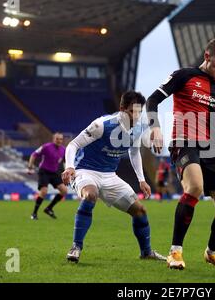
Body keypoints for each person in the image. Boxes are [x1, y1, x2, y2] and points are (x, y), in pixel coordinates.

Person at [146, 38, 215, 270]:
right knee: (195, 187)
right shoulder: (183, 75)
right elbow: (153, 100)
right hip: (184, 143)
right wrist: (155, 127)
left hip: (210, 149)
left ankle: (211, 253)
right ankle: (175, 252)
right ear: (207, 56)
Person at [61, 91, 166, 263]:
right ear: (122, 109)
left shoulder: (138, 128)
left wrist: (141, 180)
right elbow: (74, 144)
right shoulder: (102, 124)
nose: (137, 116)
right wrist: (70, 166)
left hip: (110, 175)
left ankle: (146, 253)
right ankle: (76, 247)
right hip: (85, 170)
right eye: (133, 111)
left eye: (140, 112)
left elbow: (134, 152)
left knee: (140, 211)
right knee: (91, 195)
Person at [28, 132, 67, 220]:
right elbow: (34, 154)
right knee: (44, 191)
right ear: (53, 139)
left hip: (55, 173)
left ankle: (49, 208)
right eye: (57, 139)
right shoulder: (46, 147)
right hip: (44, 171)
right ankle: (34, 213)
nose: (59, 141)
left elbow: (65, 161)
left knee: (64, 191)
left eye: (61, 139)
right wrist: (30, 167)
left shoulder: (63, 149)